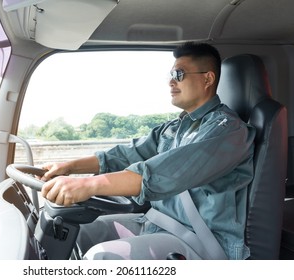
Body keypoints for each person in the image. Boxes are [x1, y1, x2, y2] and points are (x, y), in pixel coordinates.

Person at [40, 41, 256, 260]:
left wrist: (88, 185)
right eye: (171, 74)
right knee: (78, 233)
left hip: (201, 242)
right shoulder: (173, 128)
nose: (171, 82)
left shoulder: (227, 130)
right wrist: (69, 167)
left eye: (179, 74)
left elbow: (163, 174)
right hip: (157, 223)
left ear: (208, 79)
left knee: (102, 257)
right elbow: (126, 154)